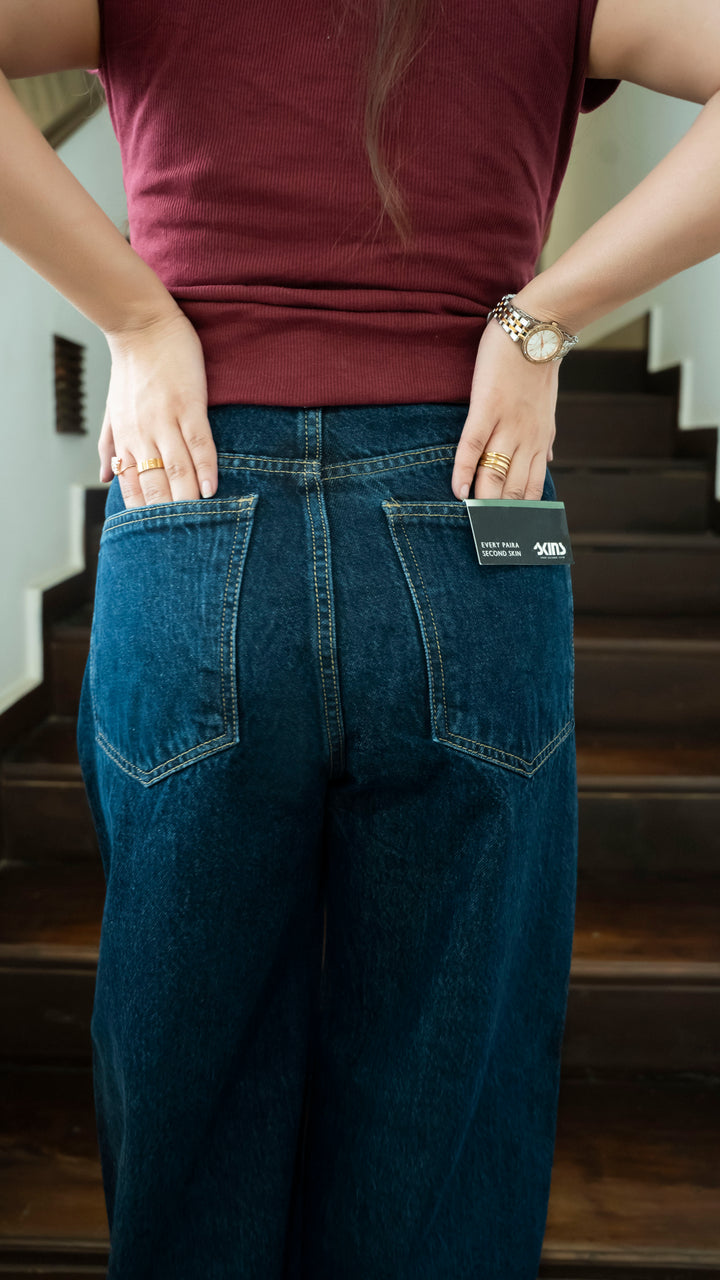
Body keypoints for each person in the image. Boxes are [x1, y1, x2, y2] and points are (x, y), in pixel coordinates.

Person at [1, 0, 719, 1275]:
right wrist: (538, 320)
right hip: (483, 504)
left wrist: (138, 314)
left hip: (188, 499)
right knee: (451, 1097)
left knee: (187, 1087)